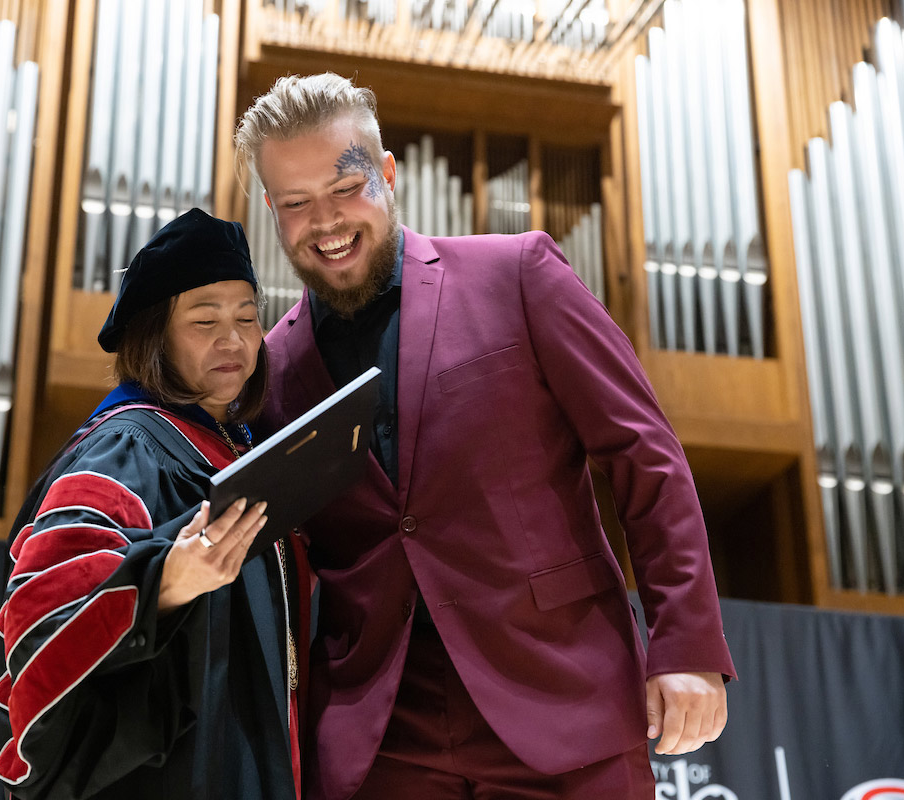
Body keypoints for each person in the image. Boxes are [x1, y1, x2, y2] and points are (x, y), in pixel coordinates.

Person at [235, 73, 736, 800]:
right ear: (273, 211)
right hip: (382, 742)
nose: (327, 221)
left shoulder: (520, 272)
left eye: (345, 188)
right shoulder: (273, 372)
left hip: (564, 702)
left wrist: (686, 644)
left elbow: (643, 453)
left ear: (387, 174)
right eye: (296, 203)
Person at [0, 208, 309, 800]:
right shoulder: (126, 446)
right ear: (154, 335)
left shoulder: (239, 450)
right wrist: (163, 578)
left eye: (247, 317)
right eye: (204, 320)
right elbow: (41, 615)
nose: (234, 339)